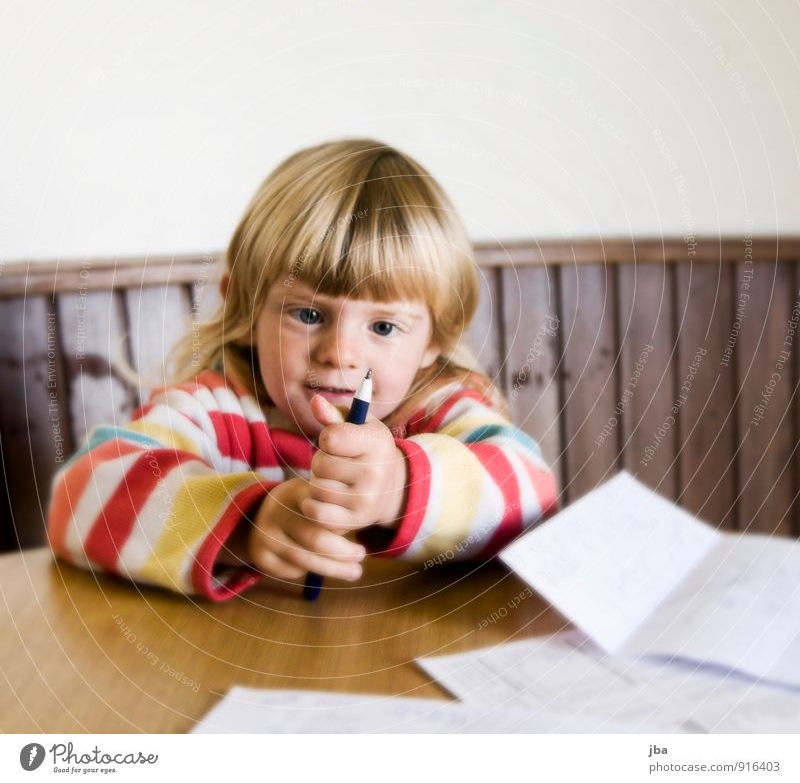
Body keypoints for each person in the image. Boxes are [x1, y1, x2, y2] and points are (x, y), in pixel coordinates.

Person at [47, 138, 558, 600]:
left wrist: (399, 487)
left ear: (437, 338)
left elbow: (534, 497)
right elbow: (79, 496)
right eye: (308, 314)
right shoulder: (216, 411)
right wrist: (248, 524)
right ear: (246, 308)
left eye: (382, 327)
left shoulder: (440, 408)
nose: (339, 352)